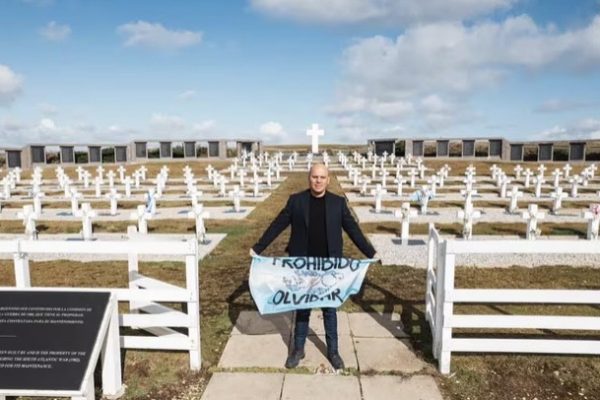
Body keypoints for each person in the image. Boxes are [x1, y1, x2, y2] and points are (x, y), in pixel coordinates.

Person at [250, 163, 377, 369]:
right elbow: (278, 224)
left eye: (322, 177)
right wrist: (258, 248)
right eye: (314, 177)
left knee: (330, 309)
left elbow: (353, 230)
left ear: (328, 179)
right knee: (302, 308)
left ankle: (333, 351)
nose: (318, 181)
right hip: (303, 266)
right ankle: (298, 350)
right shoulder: (296, 201)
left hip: (329, 267)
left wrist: (371, 252)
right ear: (309, 178)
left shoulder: (338, 203)